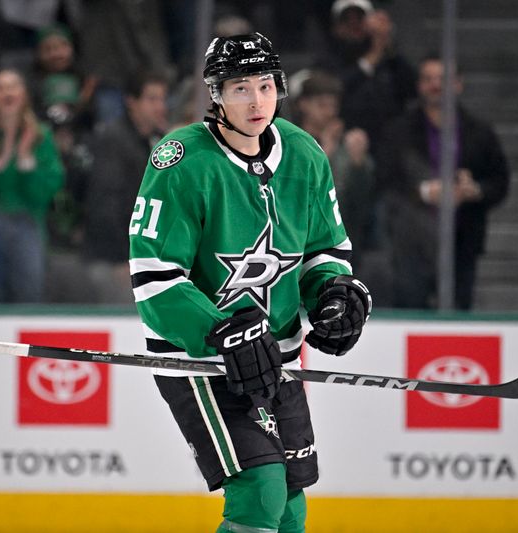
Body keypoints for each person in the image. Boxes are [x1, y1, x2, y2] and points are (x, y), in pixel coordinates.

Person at [128, 33, 371, 532]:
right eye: (240, 88)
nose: (257, 101)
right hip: (200, 359)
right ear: (216, 95)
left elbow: (324, 250)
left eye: (265, 85)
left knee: (290, 507)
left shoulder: (304, 153)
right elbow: (153, 278)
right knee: (259, 492)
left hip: (276, 357)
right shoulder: (181, 160)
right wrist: (222, 330)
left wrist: (331, 294)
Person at [378, 54, 510, 310]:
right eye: (428, 79)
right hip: (410, 243)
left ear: (459, 84)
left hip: (462, 239)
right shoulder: (399, 130)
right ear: (419, 85)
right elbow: (385, 179)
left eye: (443, 79)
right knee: (410, 308)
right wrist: (424, 192)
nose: (435, 85)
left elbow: (500, 181)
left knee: (457, 314)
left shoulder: (479, 132)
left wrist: (476, 191)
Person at [0, 69, 65, 303]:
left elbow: (46, 189)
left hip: (27, 223)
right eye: (0, 87)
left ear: (24, 95)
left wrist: (24, 159)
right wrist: (3, 156)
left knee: (29, 293)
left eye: (13, 86)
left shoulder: (41, 137)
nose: (7, 92)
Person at [83, 70, 168, 303]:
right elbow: (105, 204)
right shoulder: (114, 140)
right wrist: (124, 258)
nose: (160, 106)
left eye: (162, 99)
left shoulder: (159, 141)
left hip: (145, 258)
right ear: (132, 101)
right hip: (114, 261)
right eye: (152, 99)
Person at [290, 68, 375, 273]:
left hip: (340, 230)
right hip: (295, 232)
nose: (328, 112)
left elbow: (362, 198)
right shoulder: (289, 140)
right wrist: (325, 152)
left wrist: (358, 164)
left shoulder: (347, 144)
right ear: (303, 105)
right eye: (321, 105)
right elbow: (292, 189)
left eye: (333, 106)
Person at [316, 0, 418, 158]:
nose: (353, 24)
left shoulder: (390, 58)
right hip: (347, 140)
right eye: (346, 20)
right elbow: (334, 87)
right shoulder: (327, 59)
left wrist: (386, 44)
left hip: (390, 142)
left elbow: (413, 89)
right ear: (336, 26)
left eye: (359, 19)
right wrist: (371, 59)